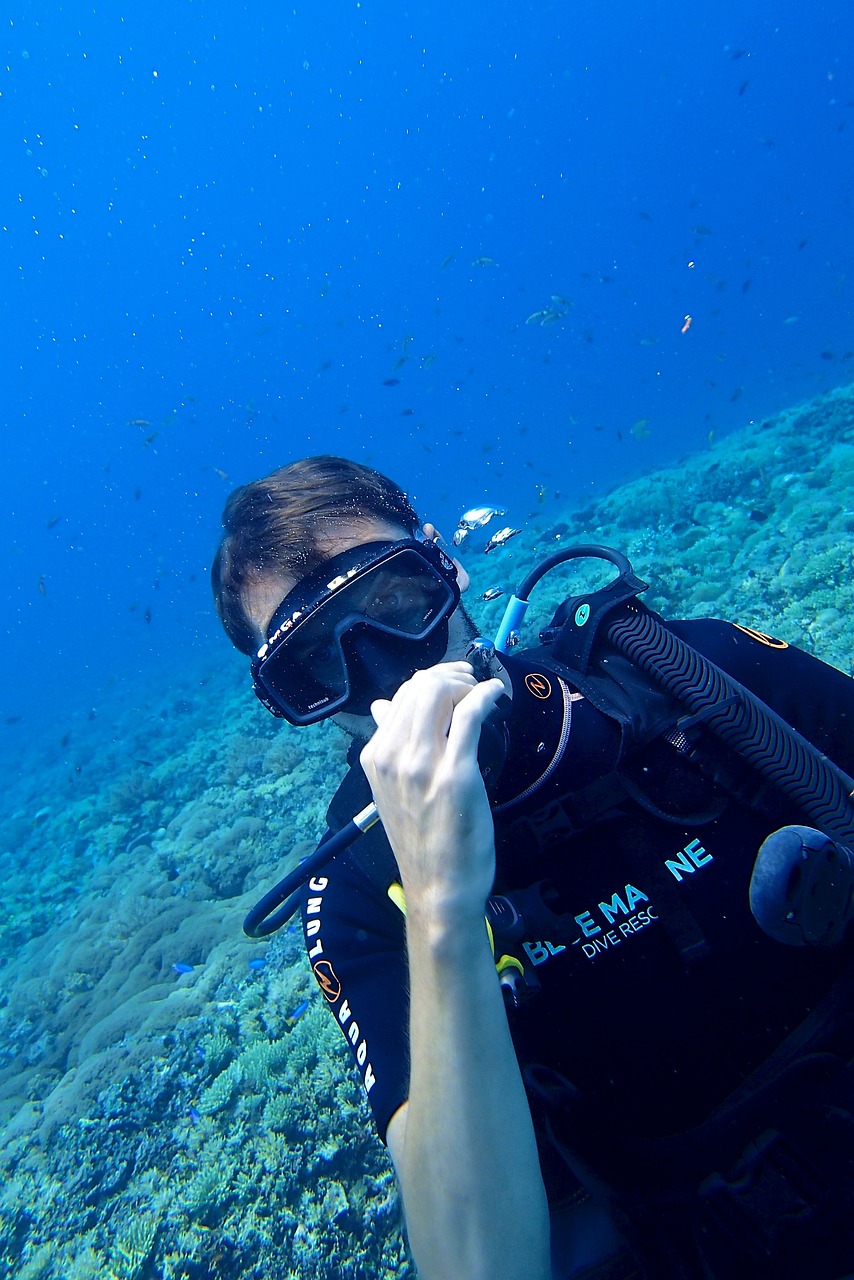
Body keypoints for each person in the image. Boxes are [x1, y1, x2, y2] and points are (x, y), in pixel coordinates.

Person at [212, 454, 854, 1280]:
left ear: (448, 564)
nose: (386, 674)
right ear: (287, 699)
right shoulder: (362, 896)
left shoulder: (689, 678)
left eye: (399, 600)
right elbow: (481, 1268)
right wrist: (441, 908)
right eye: (315, 667)